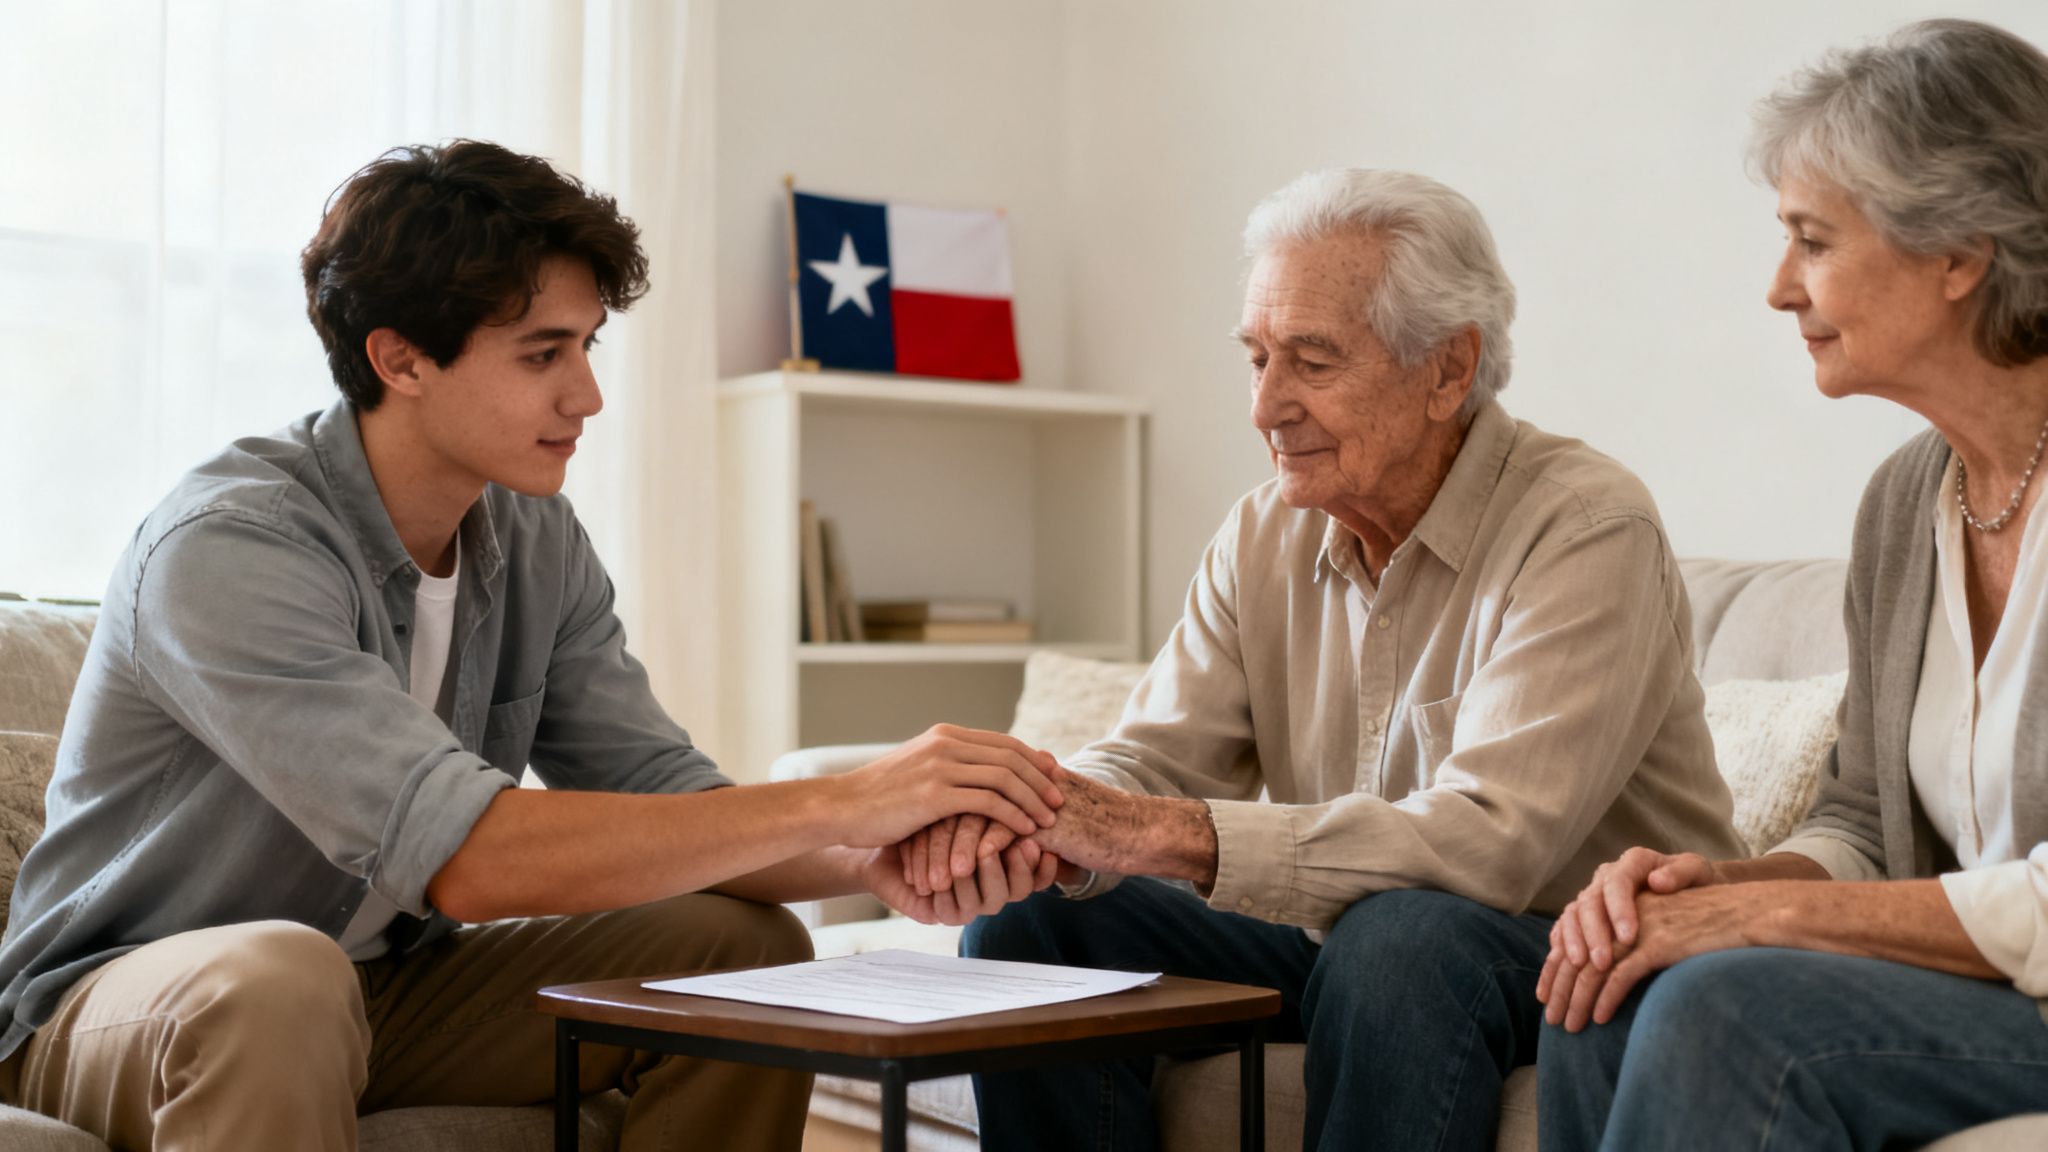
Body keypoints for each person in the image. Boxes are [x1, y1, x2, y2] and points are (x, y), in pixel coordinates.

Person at [0, 140, 1064, 1152]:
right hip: (119, 1008)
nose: (587, 395)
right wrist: (847, 797)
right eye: (541, 353)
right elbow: (467, 857)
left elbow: (664, 797)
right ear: (400, 359)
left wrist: (872, 862)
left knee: (739, 953)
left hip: (381, 986)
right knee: (282, 979)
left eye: (587, 345)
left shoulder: (532, 535)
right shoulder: (230, 547)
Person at [933, 167, 1745, 1152]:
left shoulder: (1583, 529)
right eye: (1255, 358)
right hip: (1350, 933)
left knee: (1397, 934)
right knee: (1031, 923)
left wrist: (1157, 832)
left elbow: (1485, 848)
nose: (1264, 406)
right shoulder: (1260, 533)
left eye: (1310, 361)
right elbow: (1150, 760)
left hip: (1567, 943)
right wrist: (1038, 820)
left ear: (1448, 370)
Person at [1535, 19, 2048, 1151]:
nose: (1778, 289)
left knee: (1725, 1008)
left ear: (1957, 251)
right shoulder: (1903, 502)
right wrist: (1714, 886)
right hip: (1985, 1000)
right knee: (1601, 992)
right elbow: (1866, 814)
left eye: (1810, 240)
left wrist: (1762, 915)